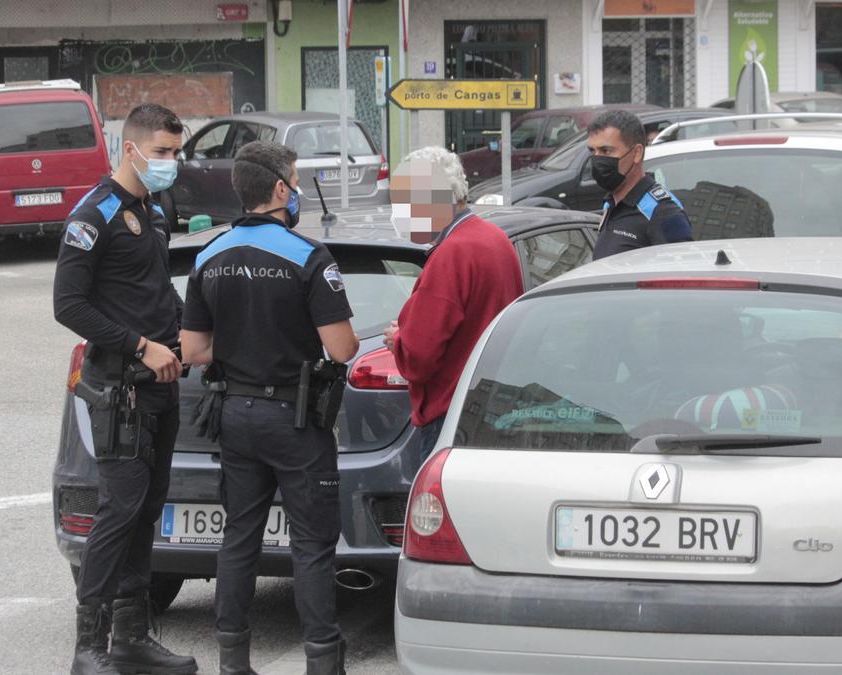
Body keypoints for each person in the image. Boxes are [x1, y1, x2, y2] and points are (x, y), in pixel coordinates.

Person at [179, 141, 359, 675]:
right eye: (297, 180)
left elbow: (193, 351)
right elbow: (344, 348)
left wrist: (239, 345)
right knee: (310, 544)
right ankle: (322, 663)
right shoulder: (308, 256)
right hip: (295, 421)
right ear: (281, 189)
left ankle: (233, 663)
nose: (298, 189)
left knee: (239, 536)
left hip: (235, 415)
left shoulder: (208, 254)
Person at [53, 103, 198, 675]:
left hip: (160, 385)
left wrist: (187, 336)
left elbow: (156, 292)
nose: (171, 163)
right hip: (119, 389)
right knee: (118, 512)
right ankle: (89, 647)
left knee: (146, 510)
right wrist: (140, 345)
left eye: (176, 152)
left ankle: (132, 637)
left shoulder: (153, 209)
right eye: (162, 152)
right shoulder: (95, 215)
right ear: (131, 148)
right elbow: (68, 306)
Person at [383, 147, 524, 459]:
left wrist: (400, 339)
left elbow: (421, 354)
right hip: (490, 405)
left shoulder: (452, 253)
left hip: (450, 414)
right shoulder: (494, 238)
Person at [587, 110, 693, 261]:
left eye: (606, 151)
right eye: (592, 151)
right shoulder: (610, 203)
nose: (597, 160)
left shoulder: (663, 212)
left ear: (636, 153)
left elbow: (681, 275)